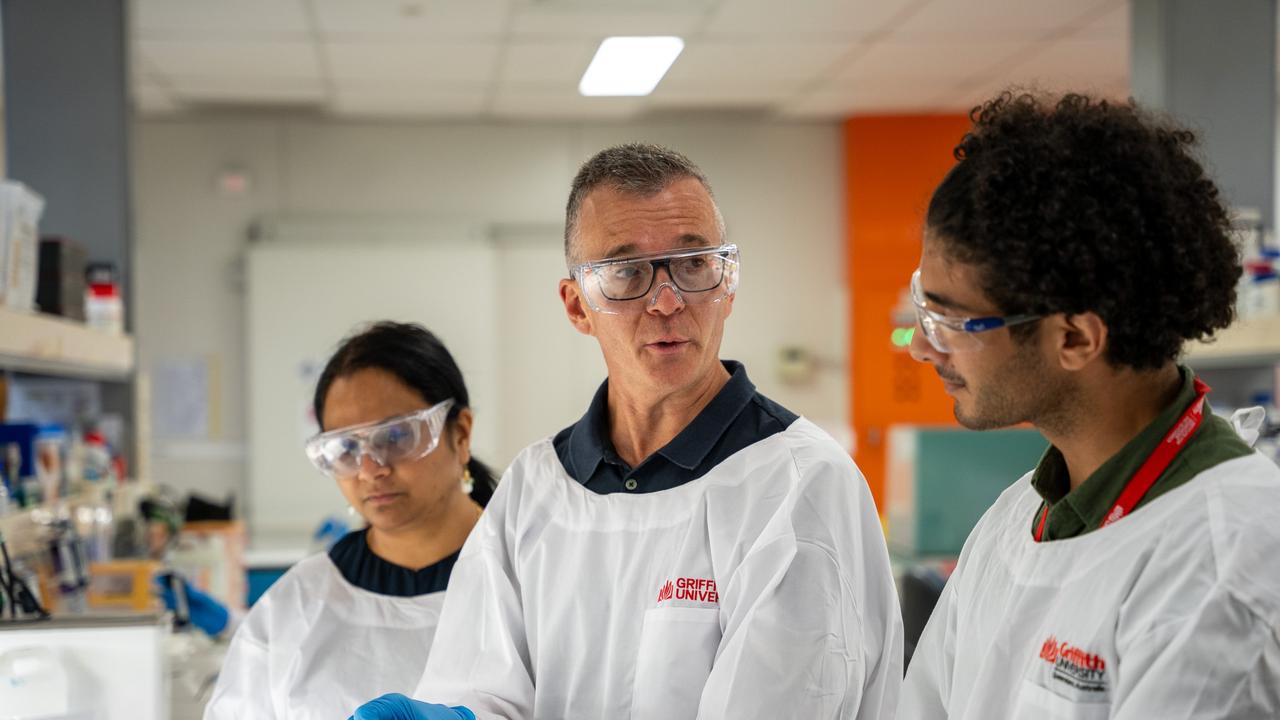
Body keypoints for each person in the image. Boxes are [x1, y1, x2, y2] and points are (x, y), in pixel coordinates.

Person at [349, 143, 903, 720]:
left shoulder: (798, 487)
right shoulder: (536, 486)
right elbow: (481, 685)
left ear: (728, 283)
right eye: (626, 272)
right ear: (577, 306)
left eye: (693, 265)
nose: (667, 300)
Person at [898, 92, 1280, 718]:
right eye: (924, 307)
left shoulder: (1225, 562)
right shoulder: (1018, 516)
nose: (919, 346)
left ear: (1074, 338)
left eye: (949, 320)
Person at [205, 322, 496, 719]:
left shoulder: (529, 578)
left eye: (395, 437)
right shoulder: (294, 607)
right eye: (345, 448)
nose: (369, 469)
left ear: (460, 435)